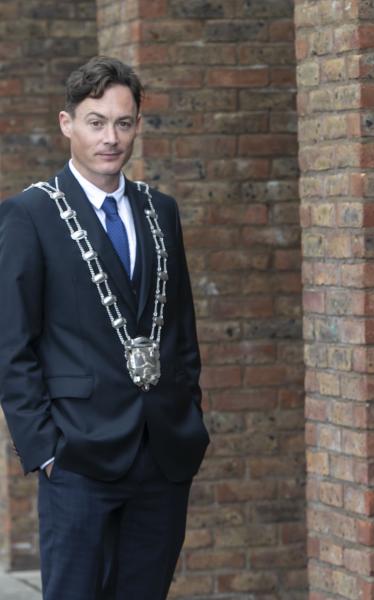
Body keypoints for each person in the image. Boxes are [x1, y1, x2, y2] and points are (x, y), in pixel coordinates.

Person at [0, 56, 209, 600]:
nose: (110, 137)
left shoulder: (160, 210)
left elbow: (180, 330)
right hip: (76, 457)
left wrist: (189, 411)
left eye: (122, 122)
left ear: (137, 124)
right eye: (96, 122)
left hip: (162, 452)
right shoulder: (30, 215)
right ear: (67, 124)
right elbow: (11, 343)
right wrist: (43, 448)